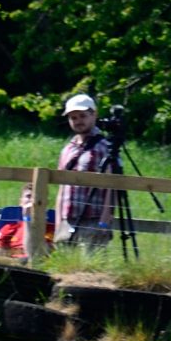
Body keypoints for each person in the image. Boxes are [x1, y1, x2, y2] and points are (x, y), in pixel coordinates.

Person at [55, 92, 117, 253]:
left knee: (91, 268)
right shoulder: (67, 149)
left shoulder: (104, 147)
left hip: (93, 219)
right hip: (67, 219)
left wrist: (104, 220)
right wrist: (58, 221)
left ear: (94, 115)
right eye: (73, 118)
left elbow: (112, 186)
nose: (78, 121)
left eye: (82, 116)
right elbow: (62, 188)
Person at [0, 183, 52, 262]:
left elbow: (41, 256)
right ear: (21, 202)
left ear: (45, 203)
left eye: (37, 197)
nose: (33, 201)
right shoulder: (8, 228)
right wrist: (17, 263)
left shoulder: (50, 229)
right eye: (29, 196)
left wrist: (28, 220)